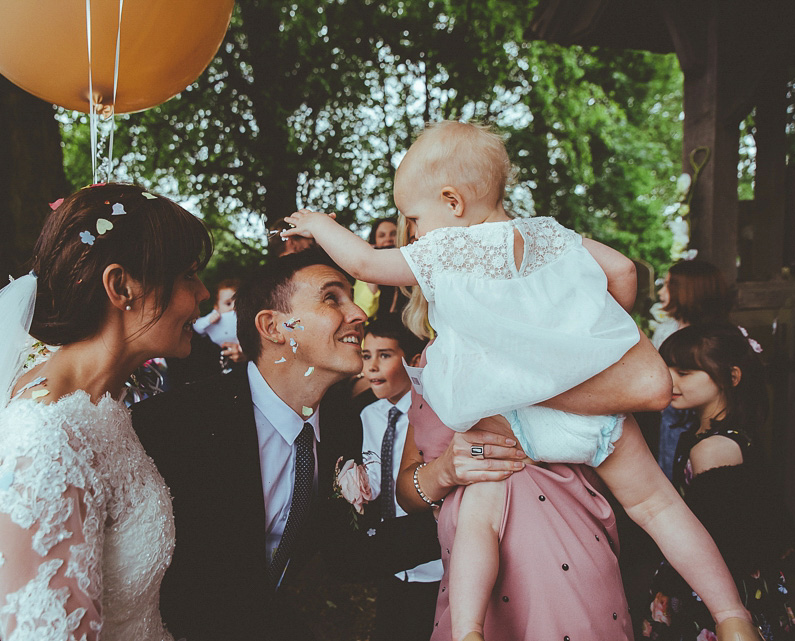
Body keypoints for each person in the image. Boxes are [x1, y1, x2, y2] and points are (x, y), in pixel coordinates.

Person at [282, 120, 762, 640]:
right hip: (595, 416)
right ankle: (731, 614)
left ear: (452, 201)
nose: (415, 233)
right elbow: (624, 272)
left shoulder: (448, 250)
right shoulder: (552, 235)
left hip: (514, 420)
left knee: (480, 518)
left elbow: (366, 263)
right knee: (659, 506)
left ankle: (468, 629)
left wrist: (317, 223)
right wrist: (590, 341)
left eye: (416, 218)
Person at [0, 183, 213, 641]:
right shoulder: (42, 448)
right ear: (121, 287)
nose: (204, 293)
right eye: (189, 275)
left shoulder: (99, 406)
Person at [130, 249, 469, 641]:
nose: (359, 313)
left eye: (352, 297)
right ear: (274, 327)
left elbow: (344, 552)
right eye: (332, 298)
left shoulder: (341, 424)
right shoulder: (178, 423)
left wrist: (467, 521)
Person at [640, 324, 795, 640]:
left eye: (684, 372)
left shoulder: (713, 448)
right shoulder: (723, 434)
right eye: (667, 369)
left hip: (715, 584)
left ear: (732, 377)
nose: (669, 379)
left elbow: (719, 534)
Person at [358, 315, 442, 641]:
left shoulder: (431, 413)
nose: (373, 367)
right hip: (390, 551)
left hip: (430, 550)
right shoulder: (369, 415)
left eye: (385, 355)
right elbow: (376, 470)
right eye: (367, 356)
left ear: (413, 361)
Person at [650, 259, 733, 479]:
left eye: (668, 285)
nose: (661, 291)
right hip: (671, 416)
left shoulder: (721, 340)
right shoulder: (666, 330)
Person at [353, 218, 405, 320]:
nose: (388, 239)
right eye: (382, 236)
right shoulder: (364, 274)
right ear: (374, 241)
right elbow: (365, 312)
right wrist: (371, 263)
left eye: (393, 234)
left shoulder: (414, 267)